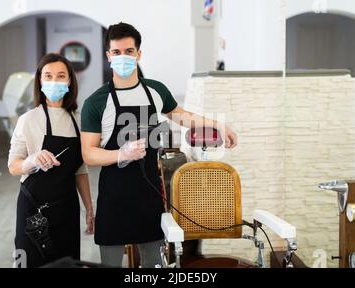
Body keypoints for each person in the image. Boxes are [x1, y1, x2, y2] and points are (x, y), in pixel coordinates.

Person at [80, 22, 237, 268]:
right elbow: (89, 154)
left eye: (129, 51)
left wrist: (218, 125)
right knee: (110, 263)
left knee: (154, 262)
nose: (123, 57)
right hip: (114, 197)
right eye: (117, 52)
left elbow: (183, 116)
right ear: (109, 56)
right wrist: (121, 154)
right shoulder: (96, 102)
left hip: (149, 193)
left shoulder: (155, 90)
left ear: (138, 54)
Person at [8, 53, 94, 268]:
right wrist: (32, 160)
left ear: (69, 81)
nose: (54, 81)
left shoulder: (78, 120)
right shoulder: (28, 120)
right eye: (48, 75)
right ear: (40, 80)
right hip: (33, 209)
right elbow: (13, 166)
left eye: (60, 75)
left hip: (67, 208)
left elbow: (80, 169)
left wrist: (89, 208)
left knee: (66, 263)